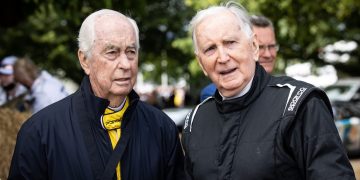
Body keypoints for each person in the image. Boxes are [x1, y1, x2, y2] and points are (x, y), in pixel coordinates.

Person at [182, 2, 355, 179]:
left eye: (230, 43)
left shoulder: (299, 106)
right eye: (210, 49)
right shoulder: (195, 122)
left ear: (254, 47)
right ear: (201, 63)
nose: (223, 57)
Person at [8, 9, 184, 180]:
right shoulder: (40, 132)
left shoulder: (162, 128)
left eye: (131, 52)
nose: (125, 64)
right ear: (85, 60)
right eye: (112, 52)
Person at [199, 14, 278, 101]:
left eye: (271, 46)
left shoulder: (287, 90)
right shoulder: (215, 94)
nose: (268, 54)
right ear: (253, 46)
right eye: (261, 47)